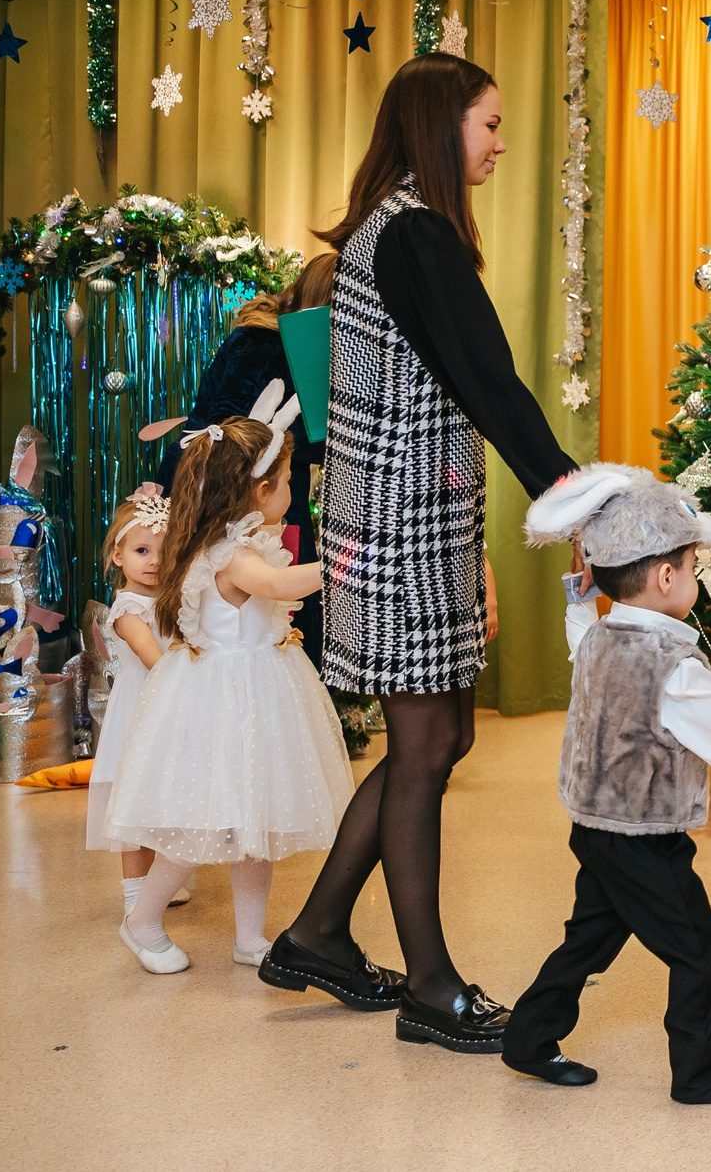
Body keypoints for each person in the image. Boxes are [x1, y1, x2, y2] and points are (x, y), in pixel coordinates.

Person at [263, 54, 578, 1056]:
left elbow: (468, 384)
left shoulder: (389, 233)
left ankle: (316, 933)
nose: (496, 144)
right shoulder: (417, 237)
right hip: (399, 529)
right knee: (424, 747)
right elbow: (490, 381)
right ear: (443, 127)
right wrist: (574, 496)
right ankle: (431, 990)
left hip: (398, 520)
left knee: (437, 742)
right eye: (488, 125)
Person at [500, 466, 711, 1102]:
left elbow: (577, 627)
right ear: (667, 577)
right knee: (695, 947)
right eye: (693, 567)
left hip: (593, 825)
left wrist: (581, 594)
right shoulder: (671, 665)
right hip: (644, 835)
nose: (694, 579)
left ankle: (528, 1038)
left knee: (589, 937)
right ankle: (701, 1074)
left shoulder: (600, 637)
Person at [107, 384, 353, 973]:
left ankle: (249, 938)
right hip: (225, 699)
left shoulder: (242, 544)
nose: (293, 494)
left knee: (255, 823)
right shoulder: (231, 556)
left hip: (259, 691)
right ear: (259, 491)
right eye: (288, 482)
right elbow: (284, 588)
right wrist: (351, 559)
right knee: (200, 827)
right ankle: (140, 920)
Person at [84, 487, 184, 912]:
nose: (154, 561)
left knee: (166, 798)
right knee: (136, 807)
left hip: (171, 709)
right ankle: (133, 898)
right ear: (118, 556)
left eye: (164, 551)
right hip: (142, 710)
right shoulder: (128, 609)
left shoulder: (168, 599)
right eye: (142, 550)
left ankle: (162, 881)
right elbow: (153, 657)